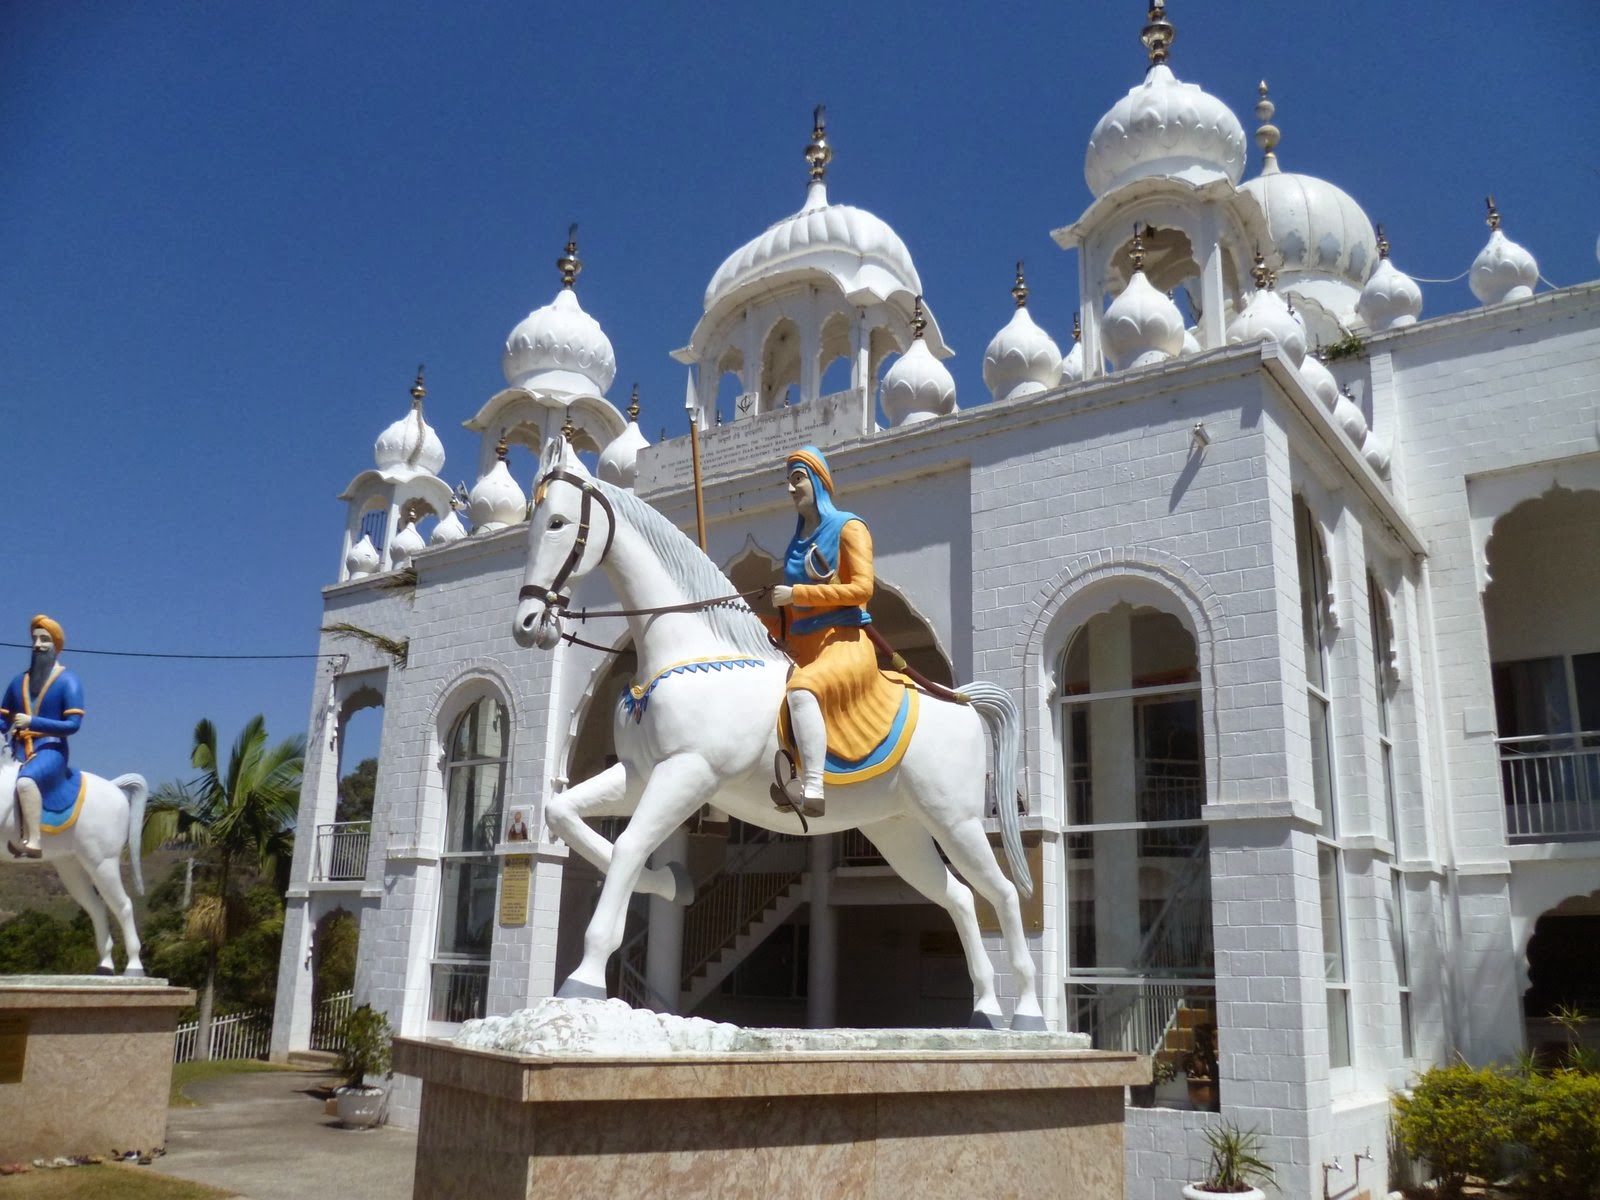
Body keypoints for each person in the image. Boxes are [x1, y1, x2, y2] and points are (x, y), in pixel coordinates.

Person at [766, 447, 903, 818]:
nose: (791, 489)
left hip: (844, 643)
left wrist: (799, 593)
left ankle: (812, 787)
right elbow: (791, 613)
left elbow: (862, 590)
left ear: (818, 481)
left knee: (801, 690)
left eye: (798, 478)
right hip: (804, 646)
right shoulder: (794, 544)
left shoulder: (849, 527)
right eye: (788, 481)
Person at [1, 615, 84, 859]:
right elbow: (3, 719)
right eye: (35, 639)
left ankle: (34, 840)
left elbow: (73, 724)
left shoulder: (69, 681)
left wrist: (32, 722)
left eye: (44, 640)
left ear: (56, 646)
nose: (38, 645)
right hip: (17, 748)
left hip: (51, 748)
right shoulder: (18, 682)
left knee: (26, 782)